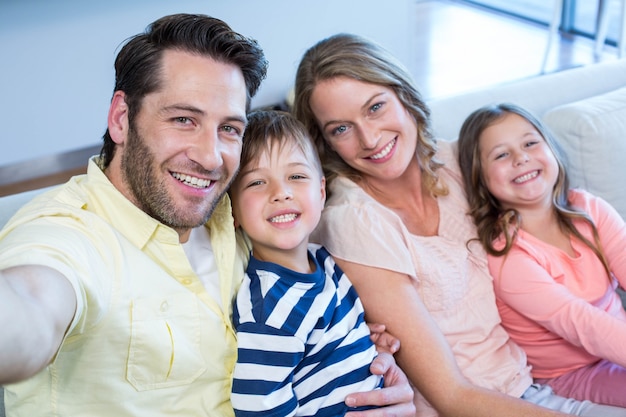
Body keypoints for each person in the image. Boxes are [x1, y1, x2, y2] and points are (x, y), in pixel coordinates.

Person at [0, 15, 415, 417]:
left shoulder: (236, 212)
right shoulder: (70, 234)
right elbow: (32, 304)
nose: (209, 156)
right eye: (184, 119)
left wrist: (370, 374)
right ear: (122, 118)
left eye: (229, 128)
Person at [291, 32, 626, 417]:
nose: (369, 139)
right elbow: (451, 395)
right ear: (326, 142)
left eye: (375, 107)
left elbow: (558, 225)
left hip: (545, 379)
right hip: (487, 404)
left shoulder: (459, 162)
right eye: (341, 129)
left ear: (404, 96)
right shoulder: (354, 220)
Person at [456, 102, 626, 407]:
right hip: (573, 372)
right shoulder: (506, 256)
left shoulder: (590, 209)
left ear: (552, 150)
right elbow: (582, 323)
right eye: (501, 155)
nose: (521, 158)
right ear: (481, 179)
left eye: (530, 143)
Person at [229, 110, 387, 416]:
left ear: (321, 191)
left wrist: (370, 342)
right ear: (232, 211)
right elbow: (260, 410)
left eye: (296, 176)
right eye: (257, 182)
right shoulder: (267, 313)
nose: (281, 193)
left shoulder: (325, 262)